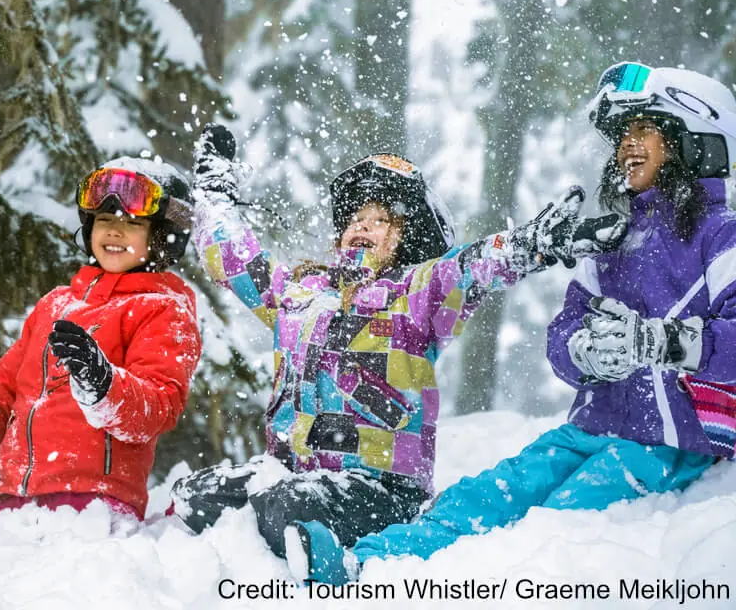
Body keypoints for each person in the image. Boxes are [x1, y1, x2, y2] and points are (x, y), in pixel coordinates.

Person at [293, 62, 736, 586]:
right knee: (493, 493)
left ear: (695, 136)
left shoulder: (720, 236)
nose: (626, 147)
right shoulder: (613, 239)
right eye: (622, 136)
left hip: (671, 443)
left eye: (644, 130)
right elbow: (564, 331)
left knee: (561, 516)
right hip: (590, 429)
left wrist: (661, 341)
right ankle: (364, 563)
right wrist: (580, 352)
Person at [172, 124, 627, 566]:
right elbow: (236, 260)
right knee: (193, 499)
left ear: (404, 239)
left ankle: (325, 562)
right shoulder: (297, 296)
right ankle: (276, 539)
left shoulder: (415, 295)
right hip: (290, 472)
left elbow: (469, 267)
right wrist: (214, 194)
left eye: (381, 219)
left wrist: (532, 244)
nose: (363, 226)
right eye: (356, 218)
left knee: (286, 508)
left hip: (380, 487)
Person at [0, 157, 202, 521]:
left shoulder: (163, 309)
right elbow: (1, 398)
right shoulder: (55, 305)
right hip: (13, 509)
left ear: (163, 238)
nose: (114, 231)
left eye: (132, 223)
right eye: (105, 220)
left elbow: (157, 405)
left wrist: (103, 384)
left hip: (92, 511)